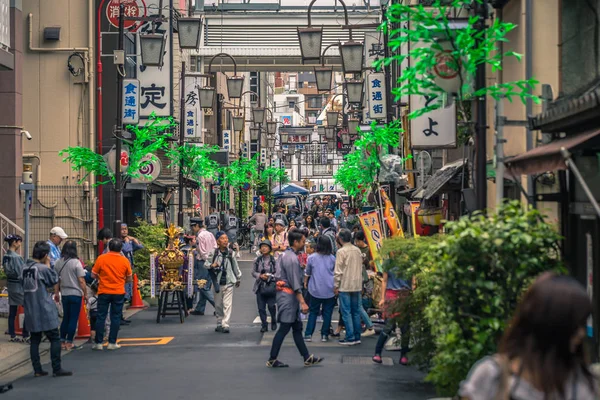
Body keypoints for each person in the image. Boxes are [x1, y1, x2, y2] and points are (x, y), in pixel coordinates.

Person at [459, 273, 598, 399]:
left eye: (583, 324)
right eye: (575, 324)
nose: (581, 333)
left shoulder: (582, 384)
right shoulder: (492, 376)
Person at [267, 230, 323, 368]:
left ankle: (306, 357)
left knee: (297, 327)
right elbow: (294, 283)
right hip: (288, 296)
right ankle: (272, 358)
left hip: (287, 295)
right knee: (285, 327)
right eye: (303, 241)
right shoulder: (291, 259)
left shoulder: (286, 255)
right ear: (296, 242)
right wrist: (302, 302)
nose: (305, 244)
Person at [21, 241, 71, 377]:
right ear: (44, 254)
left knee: (35, 339)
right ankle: (57, 367)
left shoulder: (24, 268)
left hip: (30, 308)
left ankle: (37, 369)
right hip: (44, 307)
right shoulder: (42, 268)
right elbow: (53, 280)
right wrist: (48, 265)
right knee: (54, 337)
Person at [91, 238, 132, 351]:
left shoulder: (101, 258)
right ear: (120, 249)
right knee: (115, 317)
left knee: (101, 316)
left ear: (109, 247)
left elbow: (93, 274)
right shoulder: (124, 261)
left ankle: (98, 343)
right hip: (118, 291)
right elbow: (129, 278)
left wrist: (102, 278)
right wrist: (121, 281)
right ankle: (112, 342)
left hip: (104, 290)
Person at [371, 263, 412, 365]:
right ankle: (378, 353)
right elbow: (384, 281)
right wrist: (382, 298)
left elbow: (413, 282)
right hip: (393, 296)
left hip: (403, 295)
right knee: (390, 326)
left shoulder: (409, 263)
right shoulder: (389, 263)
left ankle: (402, 355)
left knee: (404, 327)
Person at [206, 232, 242, 333]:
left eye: (226, 238)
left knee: (227, 304)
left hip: (229, 281)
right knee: (218, 304)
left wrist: (238, 277)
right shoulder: (214, 253)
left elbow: (235, 266)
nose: (225, 240)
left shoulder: (231, 253)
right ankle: (219, 321)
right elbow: (206, 264)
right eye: (222, 238)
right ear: (218, 241)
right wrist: (212, 265)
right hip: (217, 282)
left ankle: (225, 324)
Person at [55, 240, 87, 350]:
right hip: (76, 293)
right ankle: (69, 342)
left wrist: (56, 294)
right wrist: (85, 293)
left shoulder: (58, 262)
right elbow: (81, 280)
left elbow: (56, 281)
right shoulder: (76, 262)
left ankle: (62, 341)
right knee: (73, 318)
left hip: (64, 293)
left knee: (66, 318)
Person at [334, 229, 364, 346]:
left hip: (345, 285)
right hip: (357, 284)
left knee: (346, 312)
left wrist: (336, 285)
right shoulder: (357, 250)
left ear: (340, 239)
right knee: (356, 311)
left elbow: (338, 271)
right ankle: (357, 336)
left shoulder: (341, 252)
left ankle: (350, 337)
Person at [303, 236, 336, 343]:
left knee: (313, 312)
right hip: (329, 289)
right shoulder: (332, 258)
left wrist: (305, 282)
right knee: (327, 313)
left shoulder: (312, 257)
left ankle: (308, 334)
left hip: (315, 289)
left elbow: (307, 272)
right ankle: (324, 335)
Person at [3, 234, 29, 342]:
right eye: (19, 242)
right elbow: (21, 273)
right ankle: (26, 335)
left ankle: (12, 334)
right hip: (19, 285)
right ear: (14, 242)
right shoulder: (17, 257)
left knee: (12, 311)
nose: (19, 244)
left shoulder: (5, 256)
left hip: (10, 285)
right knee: (28, 309)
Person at [189, 218, 216, 316]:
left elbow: (202, 251)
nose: (192, 229)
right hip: (211, 261)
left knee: (202, 286)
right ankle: (200, 308)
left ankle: (218, 307)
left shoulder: (200, 236)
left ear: (196, 226)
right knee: (206, 285)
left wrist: (207, 261)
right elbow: (215, 247)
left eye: (193, 226)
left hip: (203, 262)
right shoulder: (210, 234)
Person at [252, 239, 277, 333]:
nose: (264, 248)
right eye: (262, 247)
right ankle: (264, 325)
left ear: (270, 248)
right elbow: (253, 272)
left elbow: (278, 273)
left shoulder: (274, 260)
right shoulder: (257, 260)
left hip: (271, 285)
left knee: (271, 306)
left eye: (266, 246)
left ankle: (274, 319)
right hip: (260, 285)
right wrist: (260, 276)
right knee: (261, 308)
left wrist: (270, 276)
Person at [354, 231, 376, 337]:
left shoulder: (368, 249)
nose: (356, 243)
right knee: (359, 304)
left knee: (360, 304)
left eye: (357, 241)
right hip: (360, 276)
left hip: (367, 276)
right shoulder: (355, 249)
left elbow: (373, 263)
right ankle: (362, 325)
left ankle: (367, 325)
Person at [120, 223, 143, 303]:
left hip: (130, 265)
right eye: (122, 229)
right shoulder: (118, 242)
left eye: (125, 229)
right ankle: (125, 297)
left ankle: (129, 296)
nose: (124, 231)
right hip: (122, 267)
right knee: (125, 282)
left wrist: (133, 239)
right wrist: (127, 241)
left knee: (130, 281)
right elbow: (126, 250)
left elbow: (140, 246)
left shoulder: (129, 241)